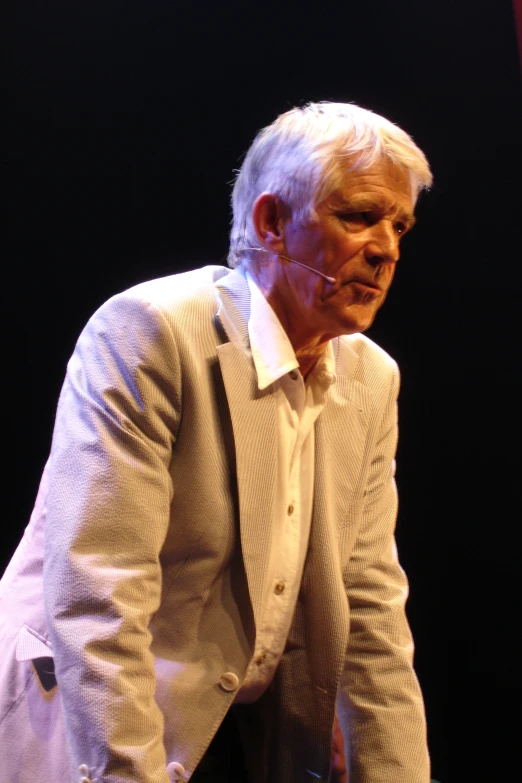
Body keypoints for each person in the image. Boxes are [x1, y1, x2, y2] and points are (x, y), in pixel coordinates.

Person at [0, 101, 432, 783]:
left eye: (400, 225)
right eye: (359, 216)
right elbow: (99, 593)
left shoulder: (373, 378)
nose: (388, 249)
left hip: (241, 733)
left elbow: (372, 609)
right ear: (272, 223)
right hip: (95, 722)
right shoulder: (150, 332)